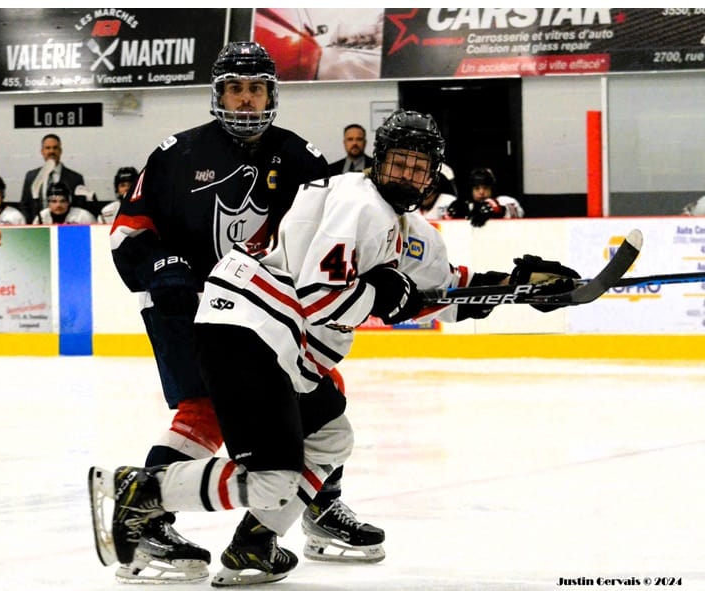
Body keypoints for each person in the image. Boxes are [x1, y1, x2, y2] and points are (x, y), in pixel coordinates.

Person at [90, 109, 580, 586]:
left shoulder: (410, 229)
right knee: (271, 479)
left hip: (280, 344)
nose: (406, 175)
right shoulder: (359, 204)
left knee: (331, 437)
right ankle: (144, 491)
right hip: (248, 334)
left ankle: (255, 543)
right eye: (398, 162)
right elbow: (321, 299)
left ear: (432, 176)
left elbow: (443, 289)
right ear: (377, 160)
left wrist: (515, 286)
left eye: (418, 167)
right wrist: (384, 296)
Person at [103, 41, 383, 584]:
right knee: (203, 409)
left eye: (256, 88)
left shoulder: (300, 157)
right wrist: (163, 267)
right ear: (218, 93)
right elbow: (127, 234)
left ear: (271, 94)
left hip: (268, 313)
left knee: (322, 392)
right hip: (185, 308)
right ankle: (148, 521)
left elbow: (333, 231)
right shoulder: (174, 155)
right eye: (236, 87)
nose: (247, 99)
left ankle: (319, 507)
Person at [20, 133, 88, 223]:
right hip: (38, 228)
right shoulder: (31, 176)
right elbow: (25, 205)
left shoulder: (75, 178)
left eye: (55, 148)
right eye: (48, 148)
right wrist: (32, 224)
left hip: (66, 228)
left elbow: (80, 207)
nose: (51, 151)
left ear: (60, 151)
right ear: (42, 151)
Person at [448, 167, 525, 227]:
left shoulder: (505, 201)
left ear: (492, 189)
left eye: (485, 188)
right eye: (477, 188)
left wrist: (499, 209)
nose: (481, 192)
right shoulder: (466, 206)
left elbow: (517, 214)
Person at [32, 181, 96, 225]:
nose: (58, 205)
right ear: (48, 203)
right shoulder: (42, 217)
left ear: (69, 202)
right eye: (54, 201)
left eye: (63, 201)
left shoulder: (83, 216)